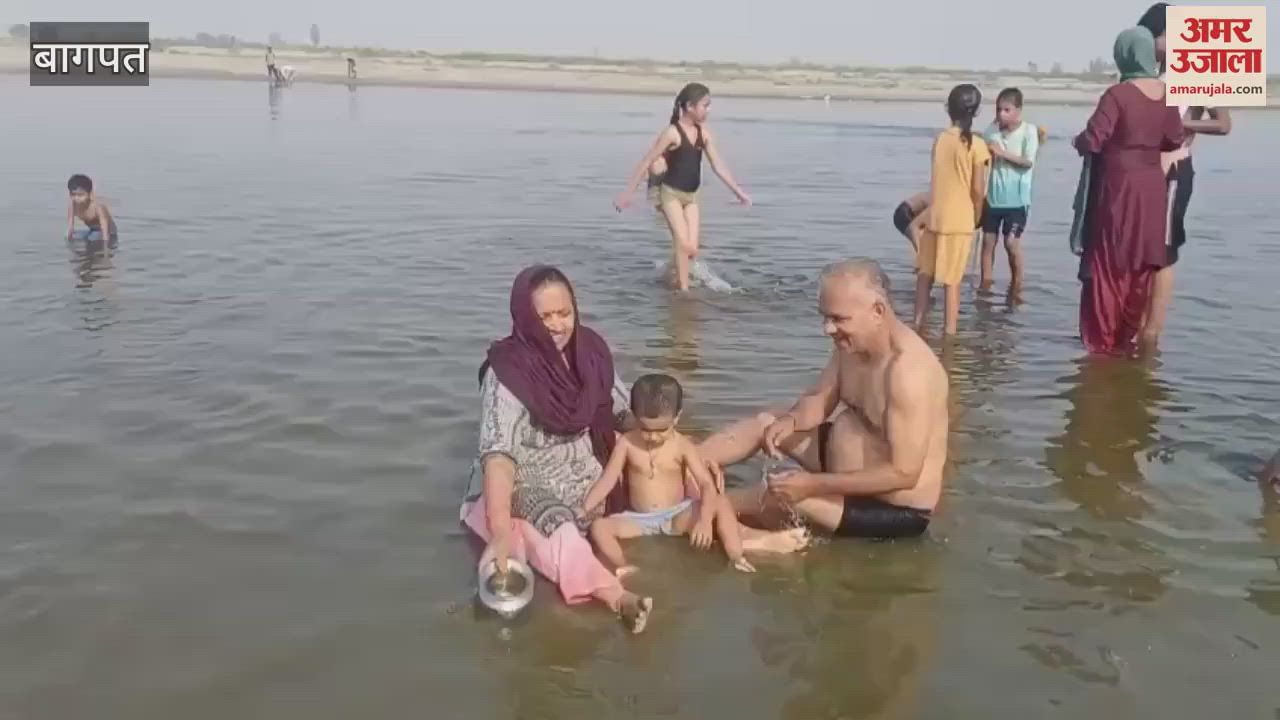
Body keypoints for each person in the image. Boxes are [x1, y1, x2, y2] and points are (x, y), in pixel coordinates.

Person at [460, 265, 656, 633]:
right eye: (545, 316)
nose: (557, 325)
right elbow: (499, 456)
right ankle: (616, 596)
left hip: (589, 473)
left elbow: (620, 412)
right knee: (559, 527)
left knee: (669, 477)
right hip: (529, 480)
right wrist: (500, 529)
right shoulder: (507, 373)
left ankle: (753, 537)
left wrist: (661, 446)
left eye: (565, 313)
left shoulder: (591, 351)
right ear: (525, 317)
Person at [698, 260, 950, 539]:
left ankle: (696, 510)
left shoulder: (908, 373)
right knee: (765, 424)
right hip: (839, 467)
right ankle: (680, 468)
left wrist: (813, 485)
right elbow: (820, 399)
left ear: (877, 311)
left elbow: (904, 474)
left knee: (777, 493)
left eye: (838, 319)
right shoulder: (851, 345)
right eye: (825, 317)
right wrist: (791, 420)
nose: (827, 329)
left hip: (892, 509)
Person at [581, 373, 808, 576]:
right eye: (645, 429)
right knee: (599, 528)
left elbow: (707, 486)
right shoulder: (628, 444)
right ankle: (621, 566)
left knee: (721, 502)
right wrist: (585, 507)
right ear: (634, 416)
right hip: (639, 519)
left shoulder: (682, 446)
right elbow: (608, 480)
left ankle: (736, 555)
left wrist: (704, 520)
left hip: (676, 514)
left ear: (677, 418)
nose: (652, 437)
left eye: (661, 430)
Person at [1072, 27, 1183, 356]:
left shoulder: (1117, 95)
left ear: (1125, 54)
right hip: (1152, 190)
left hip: (1118, 189)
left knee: (1109, 264)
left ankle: (1101, 352)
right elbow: (1174, 139)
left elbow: (1093, 139)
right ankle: (1126, 343)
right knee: (1140, 264)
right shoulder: (1166, 94)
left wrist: (1077, 141)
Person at [1136, 2, 1233, 346]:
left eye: (1155, 36)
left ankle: (1152, 334)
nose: (1151, 43)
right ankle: (1137, 326)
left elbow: (1223, 124)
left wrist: (1179, 123)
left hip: (1174, 171)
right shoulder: (1147, 74)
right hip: (1142, 174)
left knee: (1163, 253)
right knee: (1142, 251)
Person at [614, 83, 752, 292]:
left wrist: (739, 192)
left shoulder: (703, 133)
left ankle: (671, 272)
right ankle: (683, 290)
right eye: (705, 105)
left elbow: (718, 165)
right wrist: (627, 194)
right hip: (671, 195)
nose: (708, 110)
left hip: (692, 196)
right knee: (682, 242)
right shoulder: (672, 133)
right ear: (689, 106)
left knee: (692, 249)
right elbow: (646, 161)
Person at [913, 84, 992, 336]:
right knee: (952, 282)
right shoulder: (977, 145)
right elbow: (978, 191)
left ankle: (917, 326)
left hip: (935, 216)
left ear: (949, 108)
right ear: (976, 112)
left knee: (925, 276)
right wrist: (977, 215)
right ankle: (949, 335)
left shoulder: (940, 140)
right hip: (959, 220)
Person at [979, 88, 1040, 297]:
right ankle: (985, 286)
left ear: (1018, 111)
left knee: (1011, 242)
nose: (1001, 114)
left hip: (1017, 201)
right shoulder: (991, 132)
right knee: (988, 243)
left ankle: (1017, 285)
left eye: (1007, 110)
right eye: (998, 110)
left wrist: (1002, 153)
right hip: (994, 200)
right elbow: (981, 156)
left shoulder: (1028, 131)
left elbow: (1027, 162)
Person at [65, 174, 117, 253]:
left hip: (109, 231)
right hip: (92, 230)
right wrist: (68, 246)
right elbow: (70, 227)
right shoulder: (73, 205)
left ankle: (92, 255)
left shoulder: (98, 206)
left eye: (80, 195)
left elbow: (105, 231)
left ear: (89, 194)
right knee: (73, 236)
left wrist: (106, 252)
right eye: (73, 194)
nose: (76, 198)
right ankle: (86, 256)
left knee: (92, 239)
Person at [892, 191, 930, 256]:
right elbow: (914, 226)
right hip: (905, 213)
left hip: (901, 212)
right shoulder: (935, 201)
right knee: (920, 247)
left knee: (920, 247)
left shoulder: (931, 196)